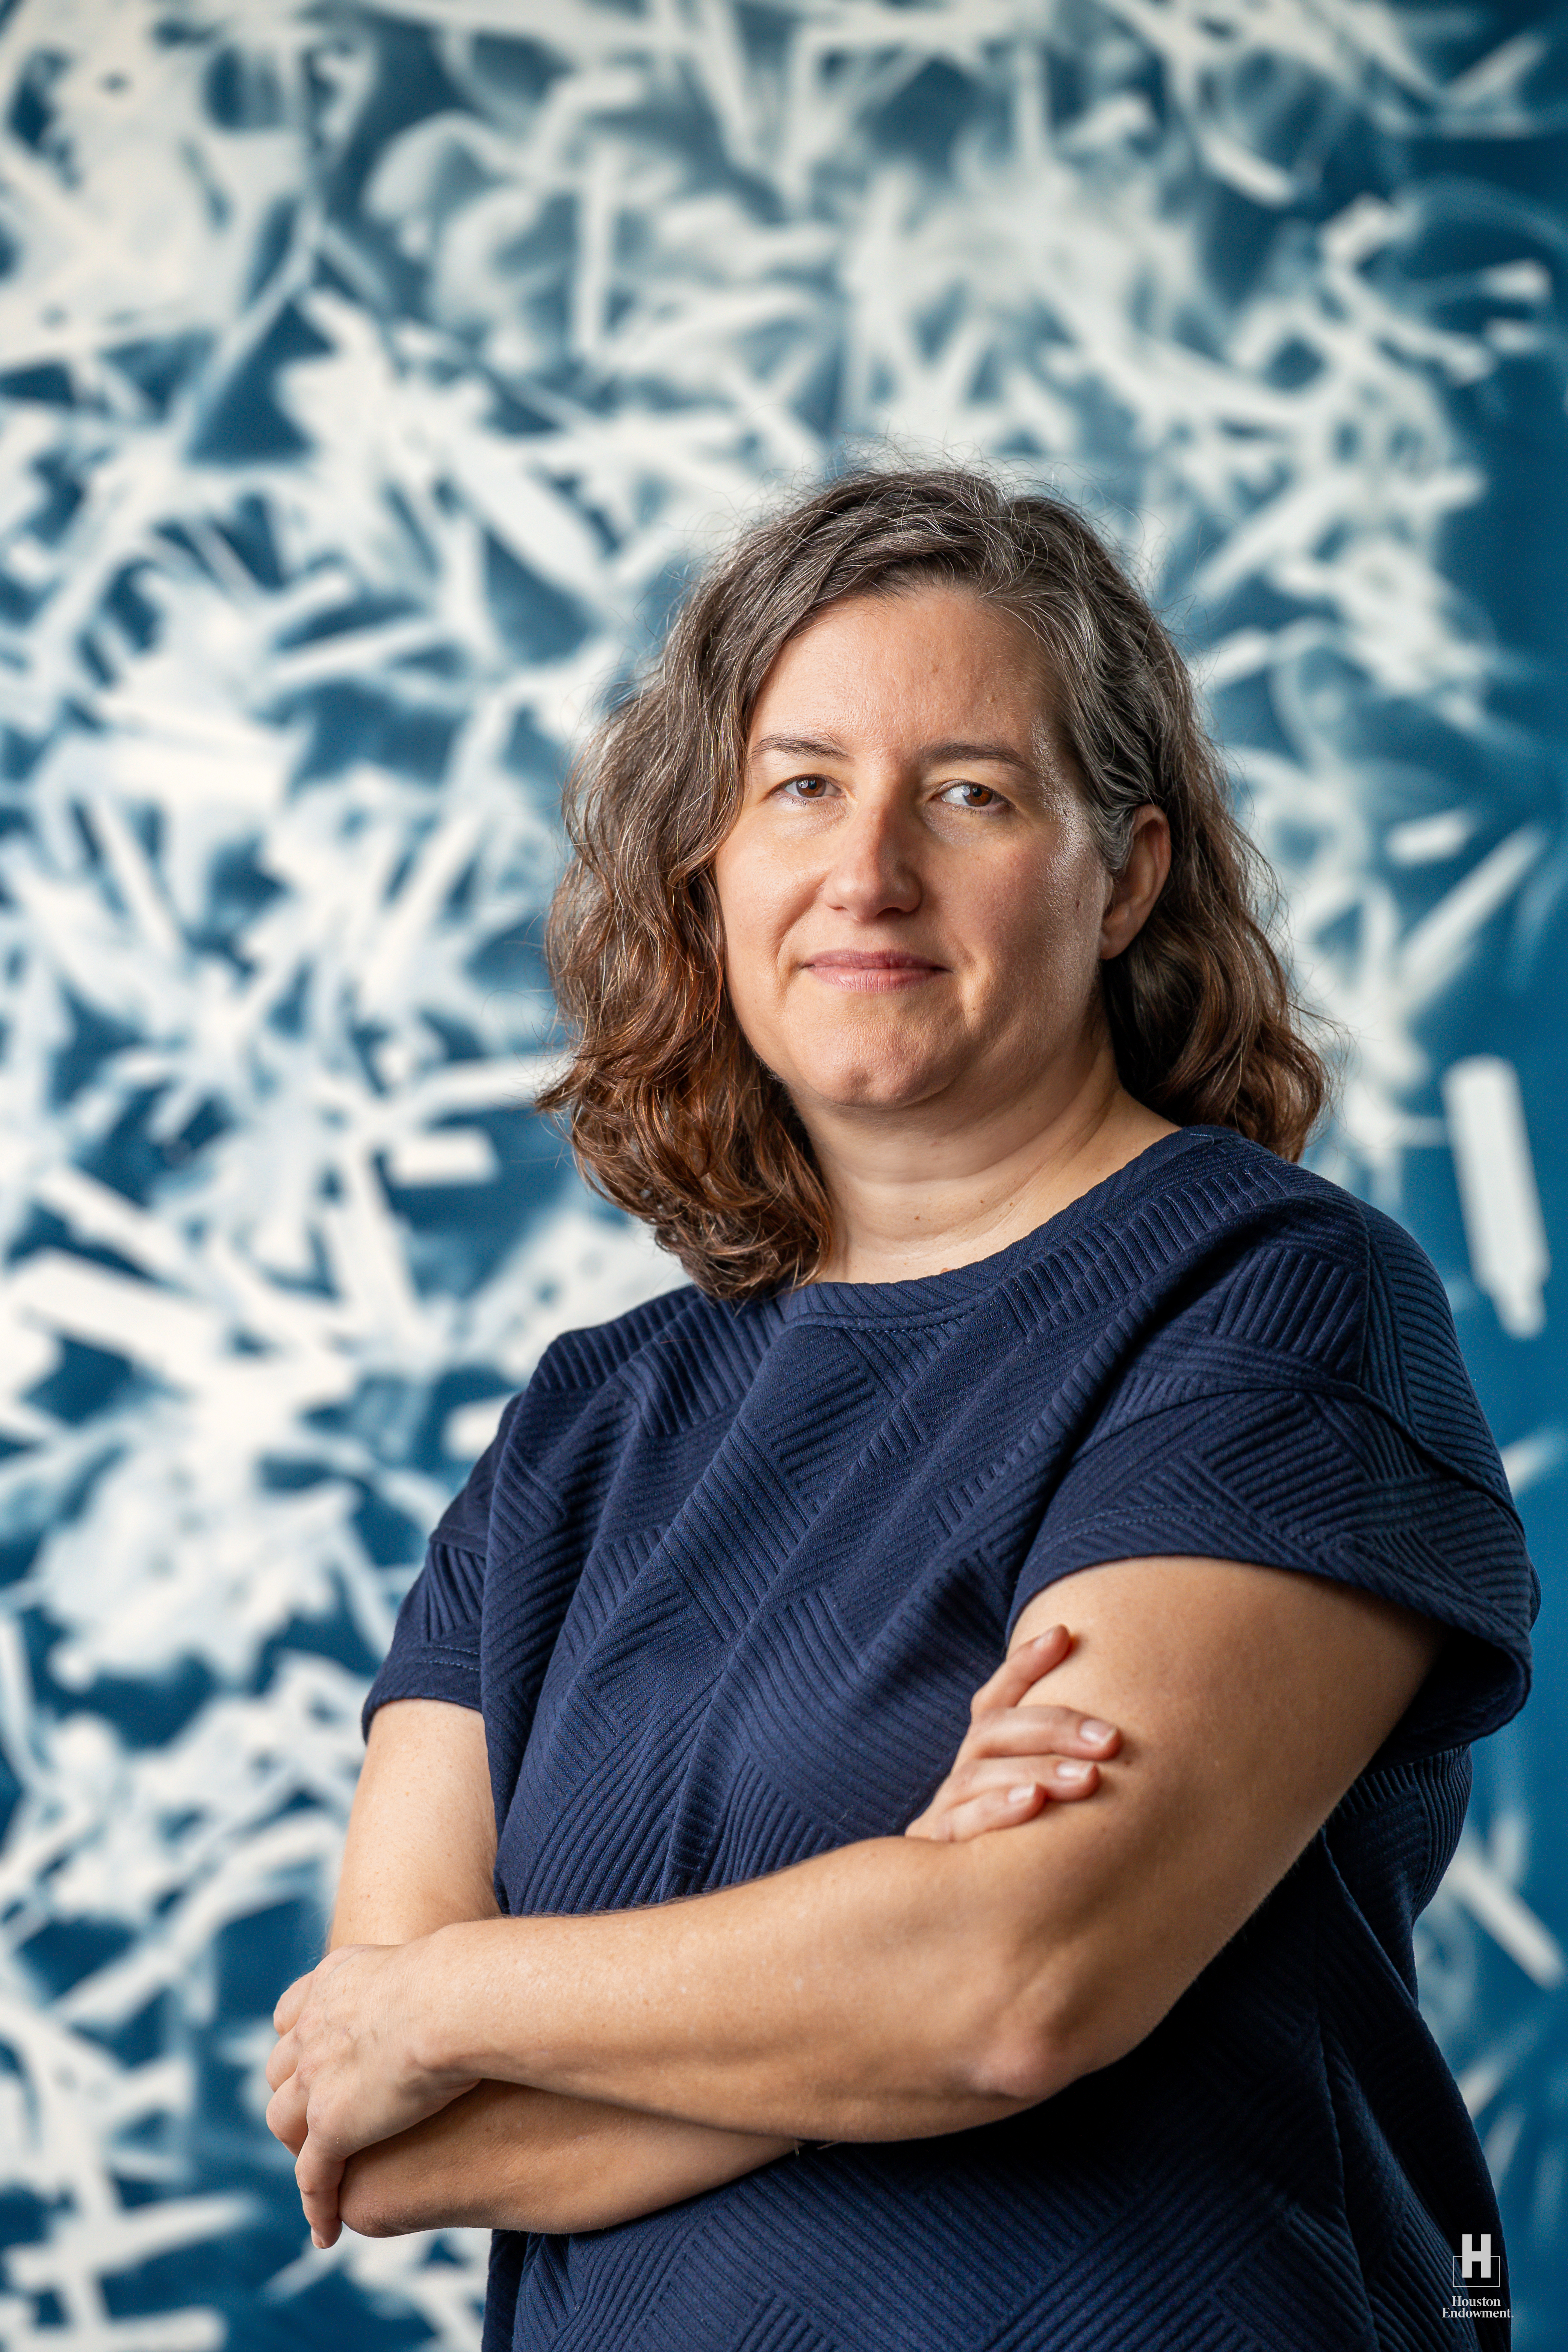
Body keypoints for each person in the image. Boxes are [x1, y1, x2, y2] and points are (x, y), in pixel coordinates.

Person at [265, 469, 1536, 2352]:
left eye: (970, 791)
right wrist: (882, 1926)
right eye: (800, 785)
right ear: (710, 870)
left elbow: (1017, 1983)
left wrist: (452, 1993)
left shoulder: (1271, 1301)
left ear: (1131, 876)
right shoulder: (584, 1427)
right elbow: (374, 2140)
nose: (868, 871)